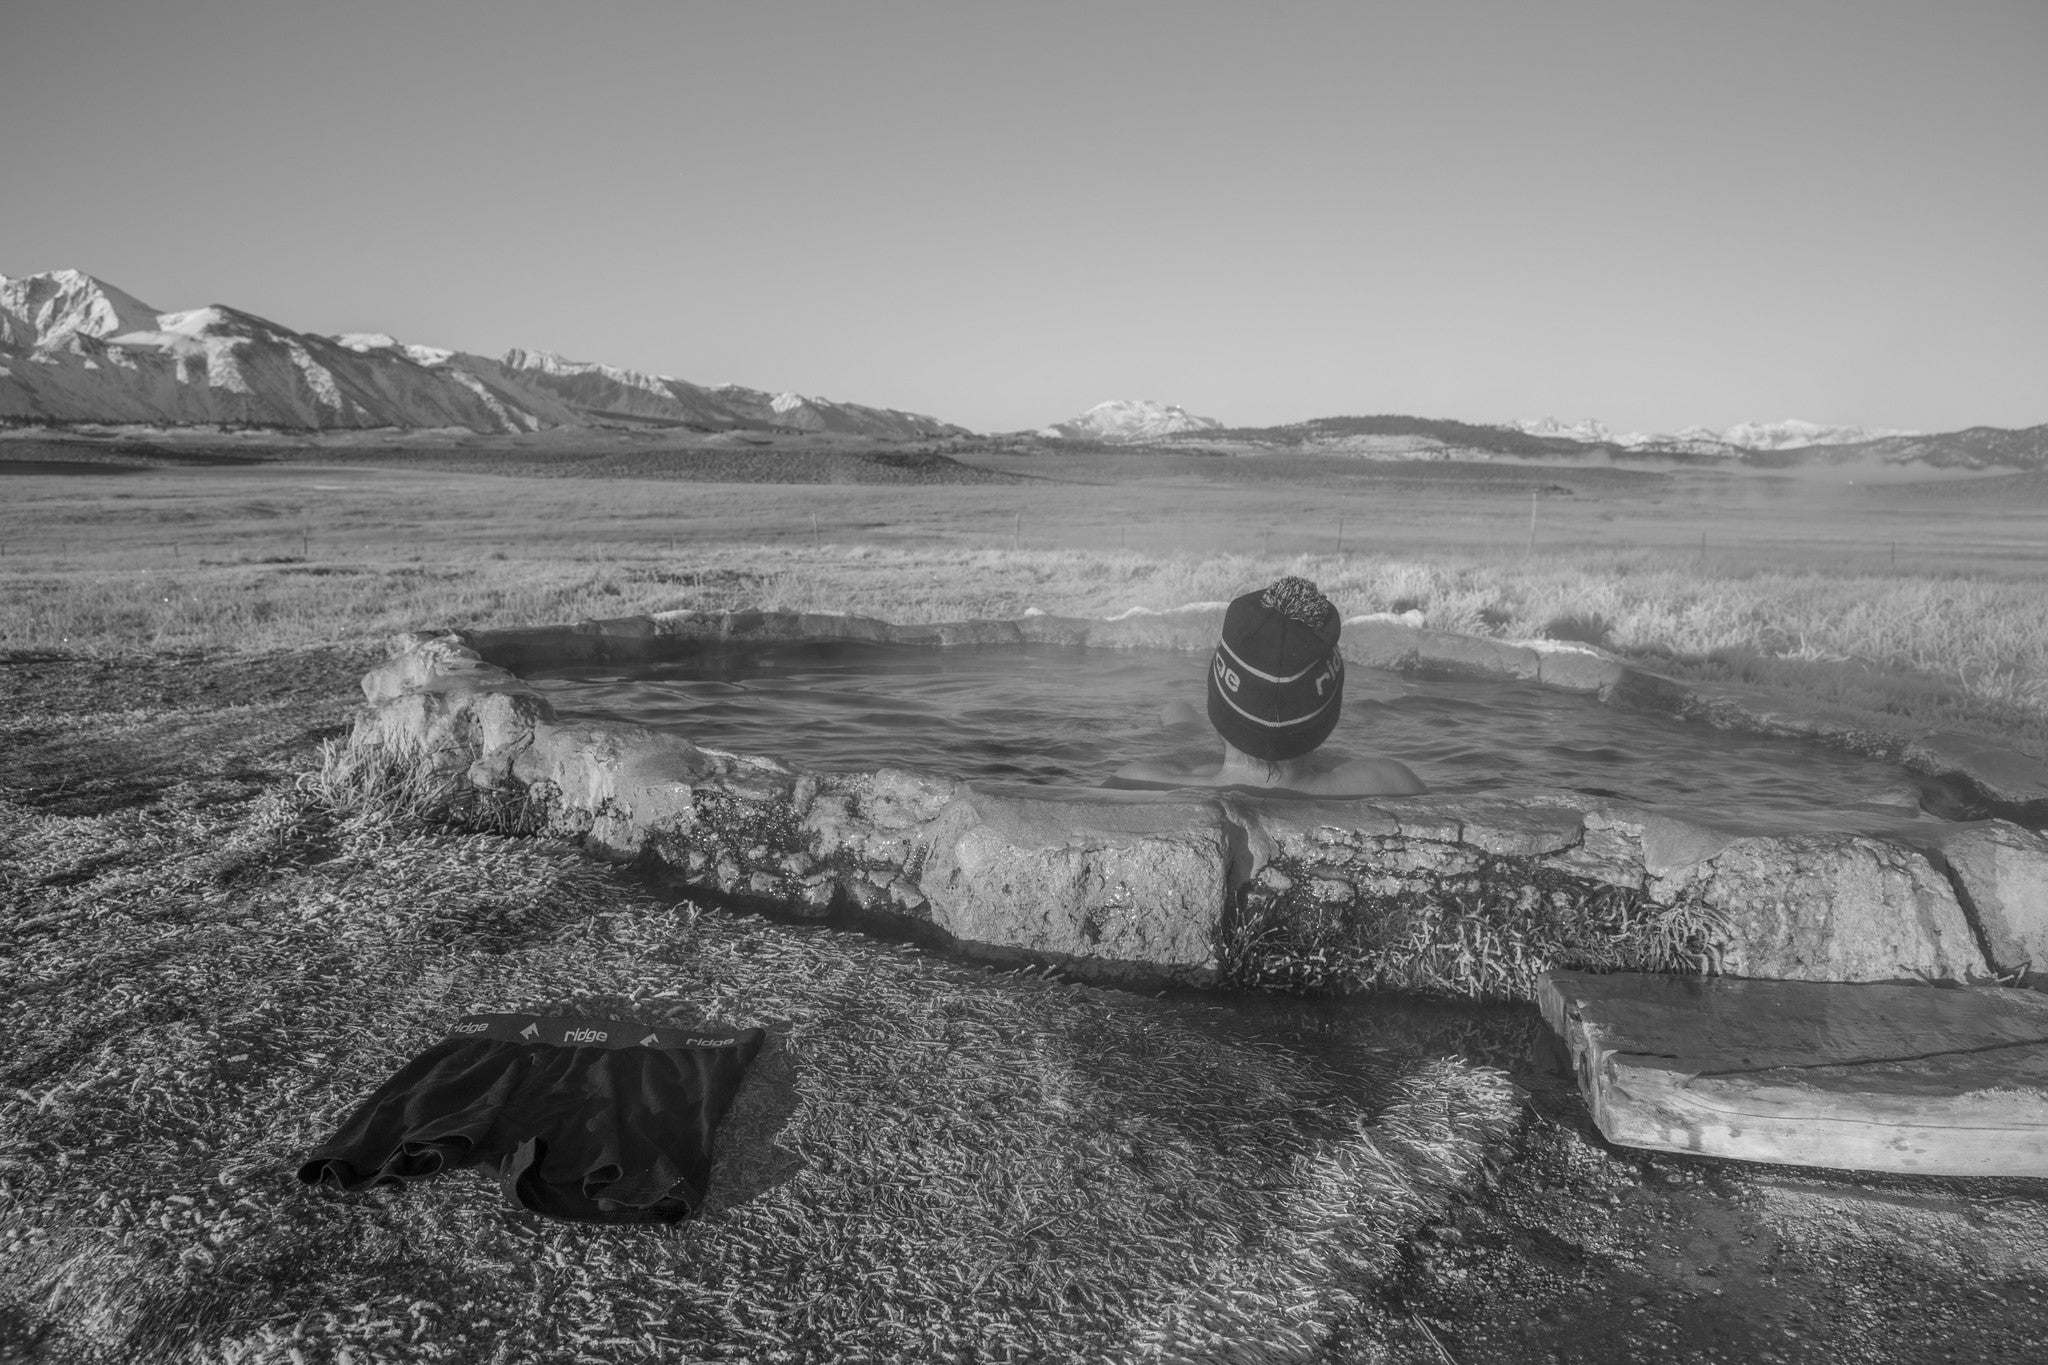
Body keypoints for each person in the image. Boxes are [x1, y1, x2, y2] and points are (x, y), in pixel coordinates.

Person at [1111, 576, 1427, 798]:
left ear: (1217, 710)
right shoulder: (1391, 783)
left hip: (1214, 757)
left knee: (1180, 719)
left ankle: (1185, 721)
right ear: (1328, 717)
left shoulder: (1137, 783)